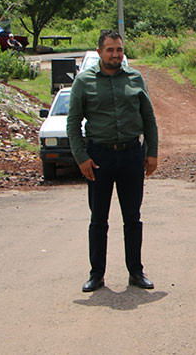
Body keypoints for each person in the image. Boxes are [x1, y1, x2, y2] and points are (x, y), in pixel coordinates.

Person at [67, 30, 159, 293]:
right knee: (99, 219)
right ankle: (96, 275)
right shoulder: (84, 82)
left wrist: (151, 152)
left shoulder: (135, 78)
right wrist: (81, 157)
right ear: (99, 52)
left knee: (133, 218)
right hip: (99, 158)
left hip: (131, 155)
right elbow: (73, 123)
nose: (115, 55)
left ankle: (136, 272)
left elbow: (148, 118)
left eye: (119, 50)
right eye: (110, 50)